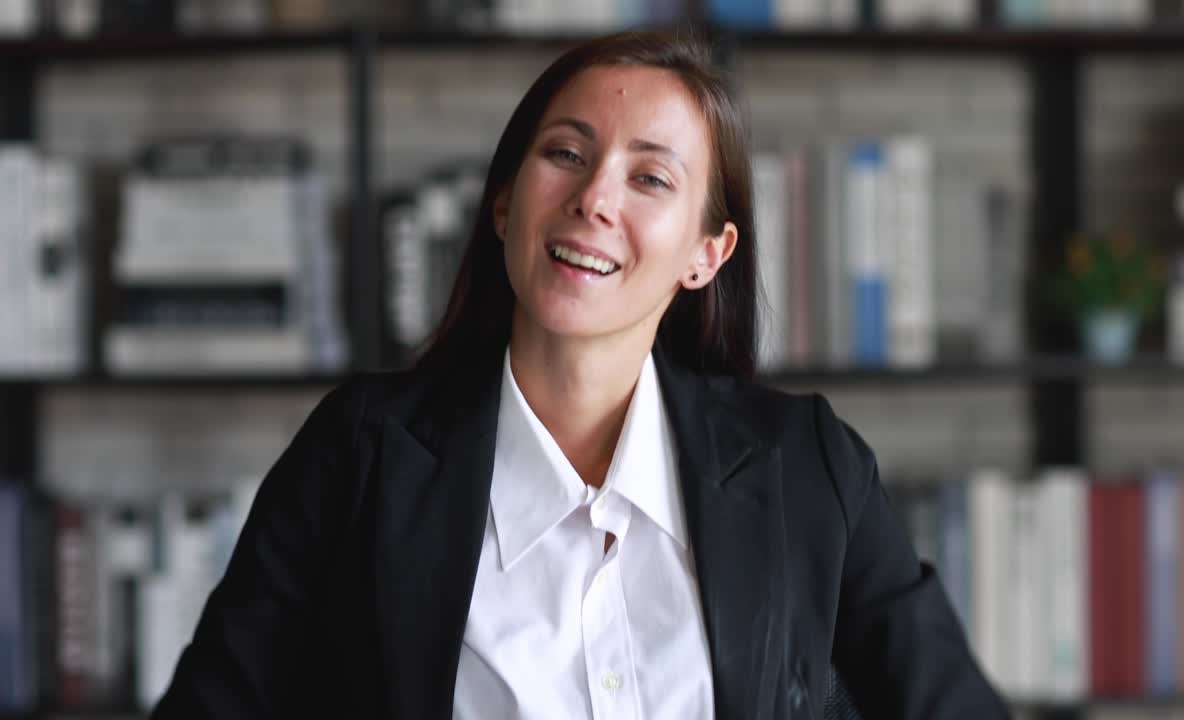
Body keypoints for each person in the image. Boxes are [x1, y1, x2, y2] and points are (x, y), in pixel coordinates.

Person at [151, 30, 1008, 720]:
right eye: (565, 154)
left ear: (707, 256)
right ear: (503, 203)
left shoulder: (807, 468)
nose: (595, 198)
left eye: (649, 177)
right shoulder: (362, 456)